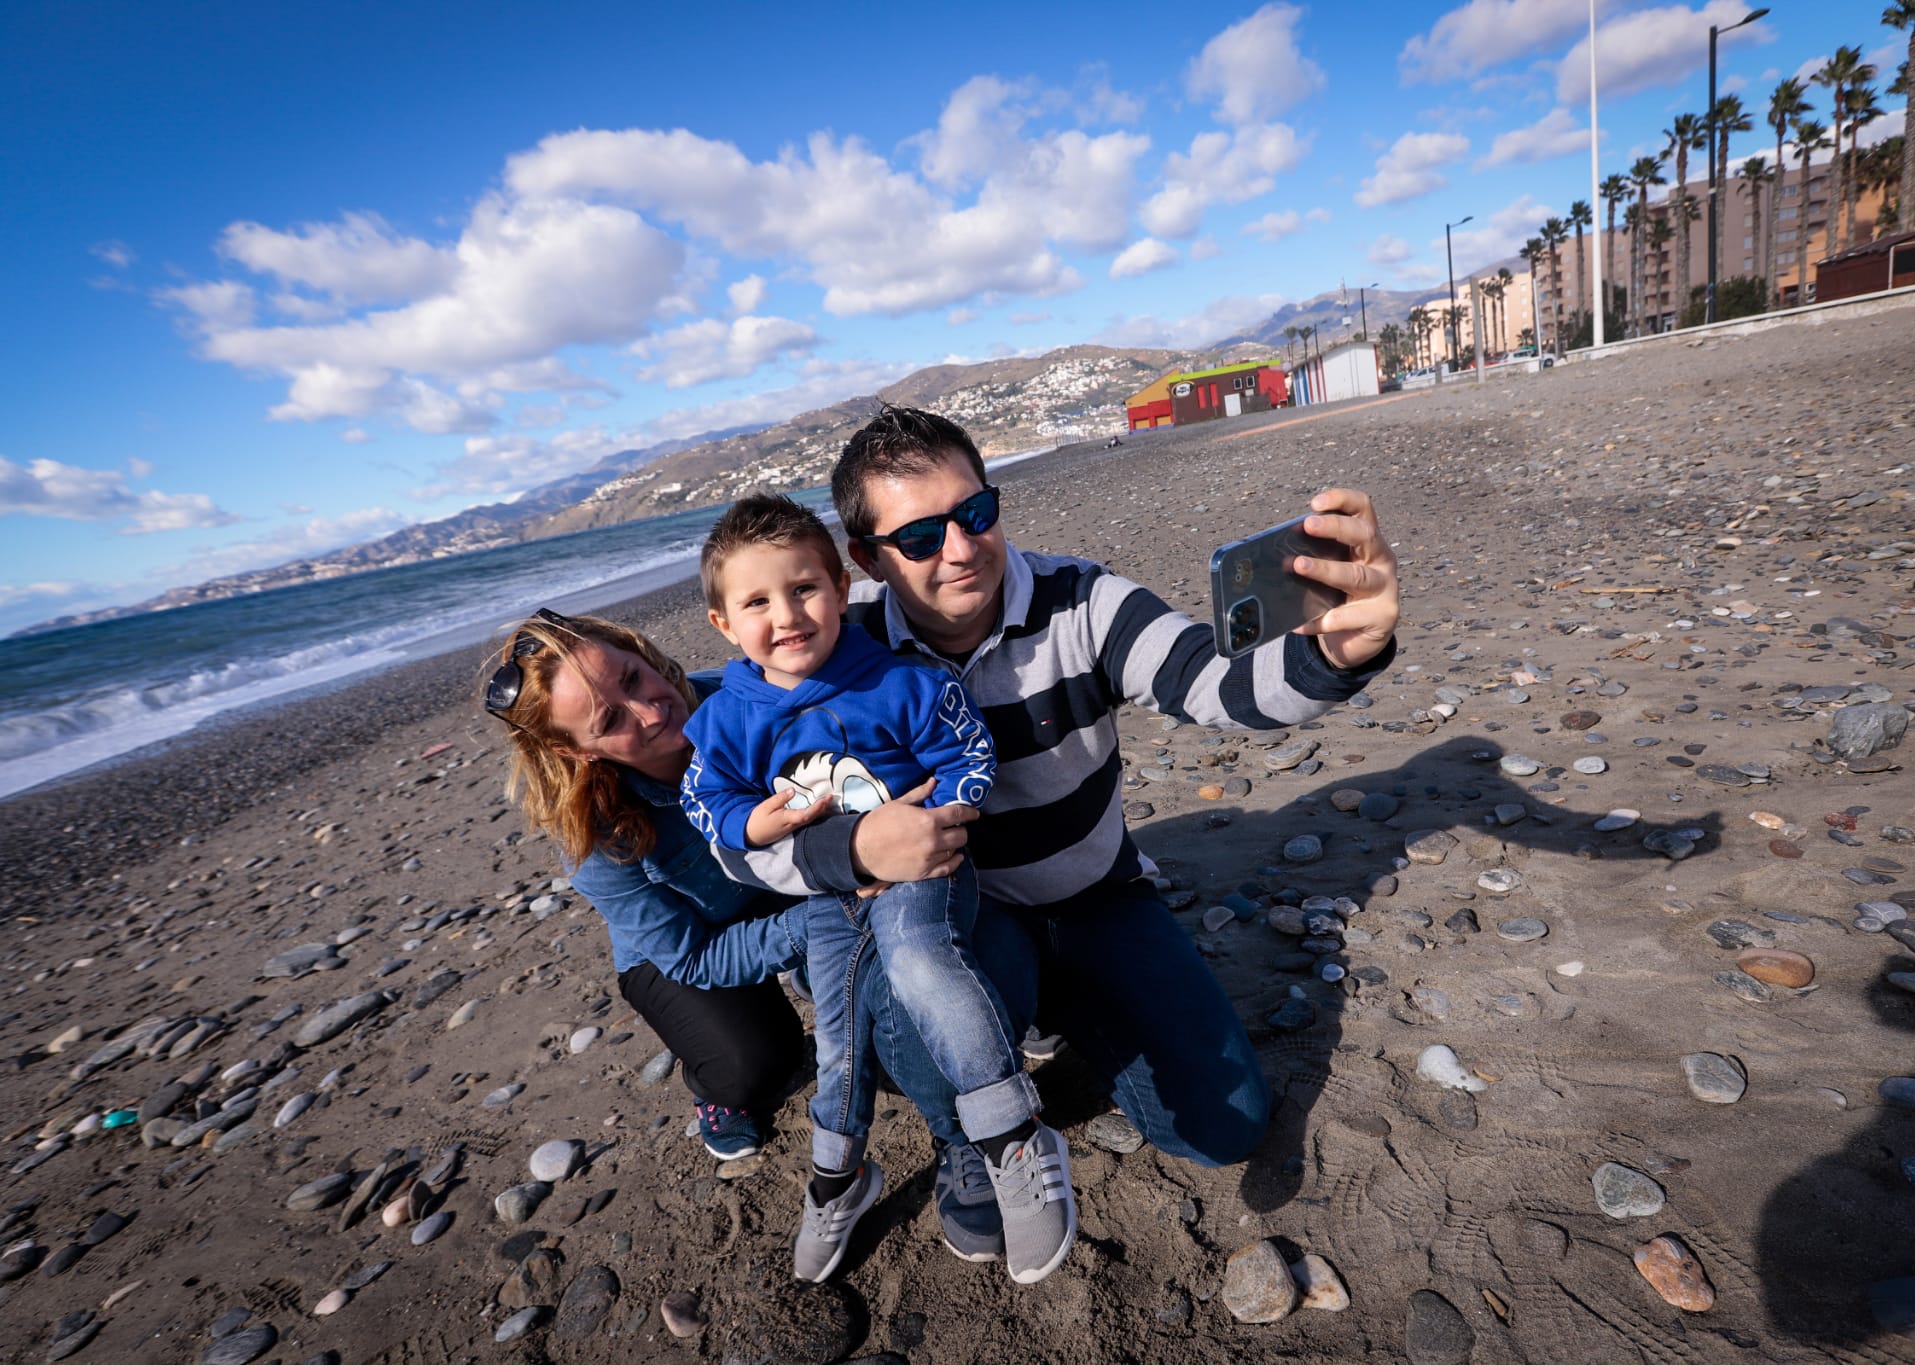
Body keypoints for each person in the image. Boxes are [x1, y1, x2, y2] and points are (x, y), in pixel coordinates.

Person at [722, 404, 1401, 1188]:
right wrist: (851, 848)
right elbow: (734, 837)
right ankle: (968, 1143)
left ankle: (1067, 1010)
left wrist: (1344, 652)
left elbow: (1212, 682)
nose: (961, 547)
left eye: (975, 512)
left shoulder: (1081, 600)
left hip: (1096, 897)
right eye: (918, 537)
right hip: (964, 918)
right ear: (867, 560)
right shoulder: (832, 652)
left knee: (1226, 1127)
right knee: (910, 1021)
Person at [481, 608, 1016, 1265]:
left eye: (631, 676)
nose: (649, 710)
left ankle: (959, 1128)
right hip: (691, 943)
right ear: (575, 749)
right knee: (753, 1066)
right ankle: (716, 1090)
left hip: (799, 885)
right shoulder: (592, 836)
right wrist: (823, 915)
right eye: (611, 720)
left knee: (903, 1013)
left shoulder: (754, 703)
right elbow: (691, 956)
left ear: (641, 647)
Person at [680, 494, 1073, 1285]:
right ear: (724, 624)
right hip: (825, 893)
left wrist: (935, 816)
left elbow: (969, 754)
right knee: (838, 1037)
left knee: (918, 962)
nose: (787, 615)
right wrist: (751, 826)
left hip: (919, 878)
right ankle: (838, 1174)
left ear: (840, 589)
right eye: (757, 601)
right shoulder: (725, 717)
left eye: (804, 589)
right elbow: (703, 800)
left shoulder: (898, 679)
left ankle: (1011, 1133)